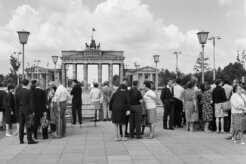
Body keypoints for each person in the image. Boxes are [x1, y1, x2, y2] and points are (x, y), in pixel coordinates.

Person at [15, 79, 38, 144]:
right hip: (28, 109)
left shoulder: (17, 92)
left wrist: (17, 111)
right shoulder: (29, 91)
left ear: (22, 84)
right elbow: (32, 102)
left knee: (21, 125)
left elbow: (16, 103)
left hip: (20, 109)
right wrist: (33, 111)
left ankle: (21, 140)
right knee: (28, 125)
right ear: (28, 84)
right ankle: (29, 140)